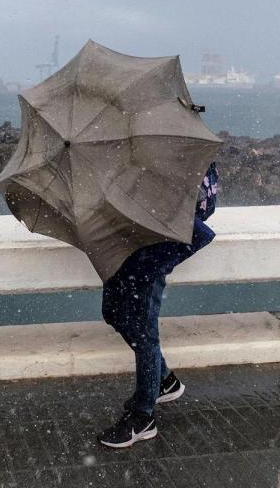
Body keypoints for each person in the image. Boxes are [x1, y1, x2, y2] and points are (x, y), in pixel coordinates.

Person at [97, 162, 219, 448]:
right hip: (125, 241)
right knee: (113, 311)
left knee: (144, 333)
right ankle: (165, 381)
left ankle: (143, 417)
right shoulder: (132, 132)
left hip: (155, 244)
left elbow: (188, 197)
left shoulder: (169, 136)